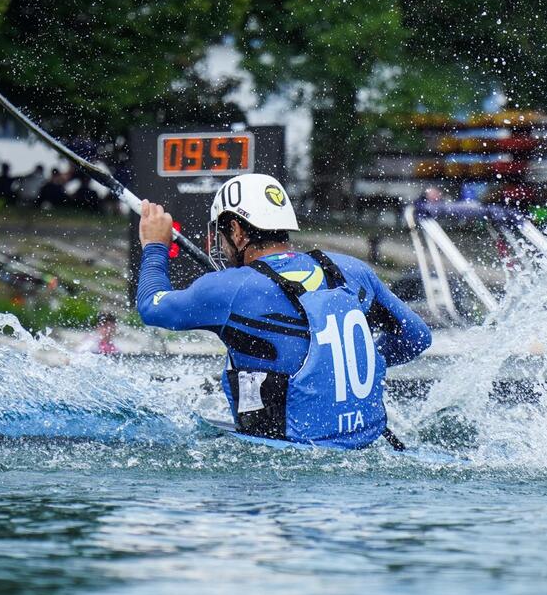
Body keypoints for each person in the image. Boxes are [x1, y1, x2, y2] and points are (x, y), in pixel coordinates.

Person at [136, 174, 432, 449]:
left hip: (290, 458)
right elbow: (417, 336)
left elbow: (152, 306)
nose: (222, 245)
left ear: (237, 231)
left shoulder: (229, 288)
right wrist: (355, 364)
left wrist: (154, 246)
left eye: (223, 235)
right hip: (371, 444)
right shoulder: (352, 269)